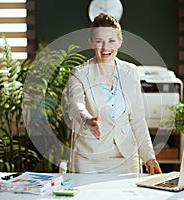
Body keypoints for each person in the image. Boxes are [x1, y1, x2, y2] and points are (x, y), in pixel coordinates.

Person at [66, 13, 162, 174]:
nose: (106, 47)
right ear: (91, 42)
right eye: (99, 41)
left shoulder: (130, 72)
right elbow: (75, 105)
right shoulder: (79, 73)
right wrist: (88, 120)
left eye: (111, 40)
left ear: (119, 41)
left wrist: (149, 157)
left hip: (126, 158)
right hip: (89, 160)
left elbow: (137, 119)